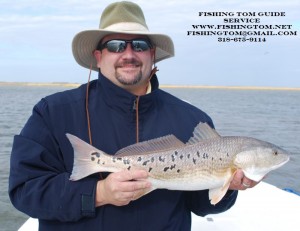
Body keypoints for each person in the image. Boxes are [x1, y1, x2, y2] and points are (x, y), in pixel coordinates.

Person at [9, 1, 258, 230]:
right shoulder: (53, 112)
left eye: (139, 45)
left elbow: (202, 205)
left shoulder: (192, 119)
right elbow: (24, 191)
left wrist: (229, 186)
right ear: (98, 57)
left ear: (152, 54)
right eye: (115, 45)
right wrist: (98, 193)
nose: (128, 54)